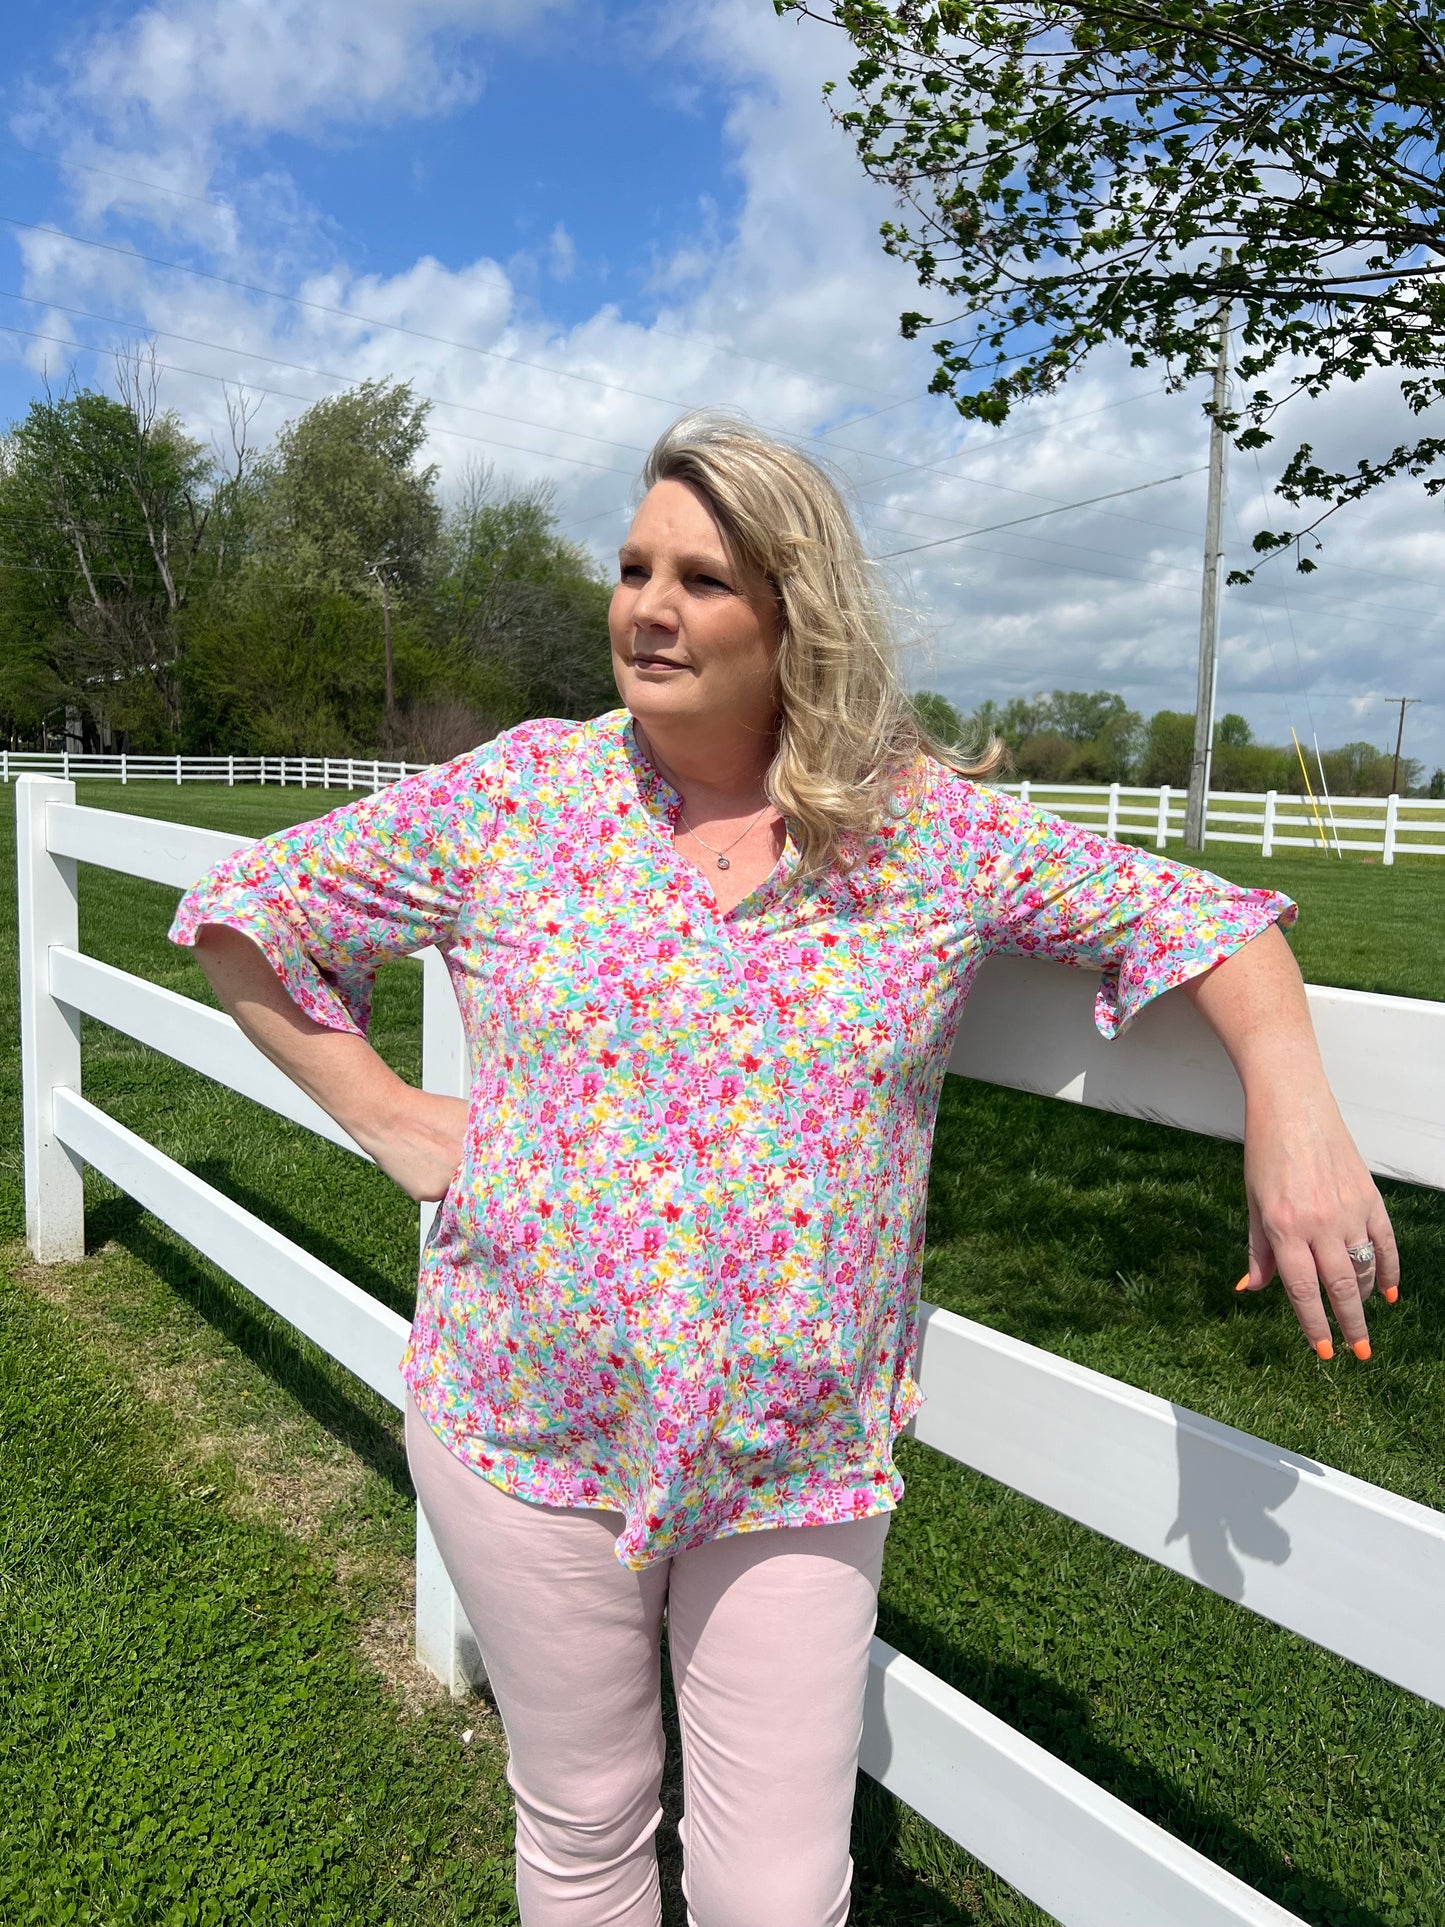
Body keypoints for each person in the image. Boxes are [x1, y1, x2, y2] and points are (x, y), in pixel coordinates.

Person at [170, 413, 1399, 1927]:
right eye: (632, 568)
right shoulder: (516, 799)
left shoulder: (925, 838)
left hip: (795, 1452)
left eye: (701, 577)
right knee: (584, 1824)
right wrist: (396, 1121)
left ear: (794, 611)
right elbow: (243, 908)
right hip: (523, 1418)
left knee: (776, 1890)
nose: (647, 607)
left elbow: (1206, 919)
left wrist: (1292, 1116)